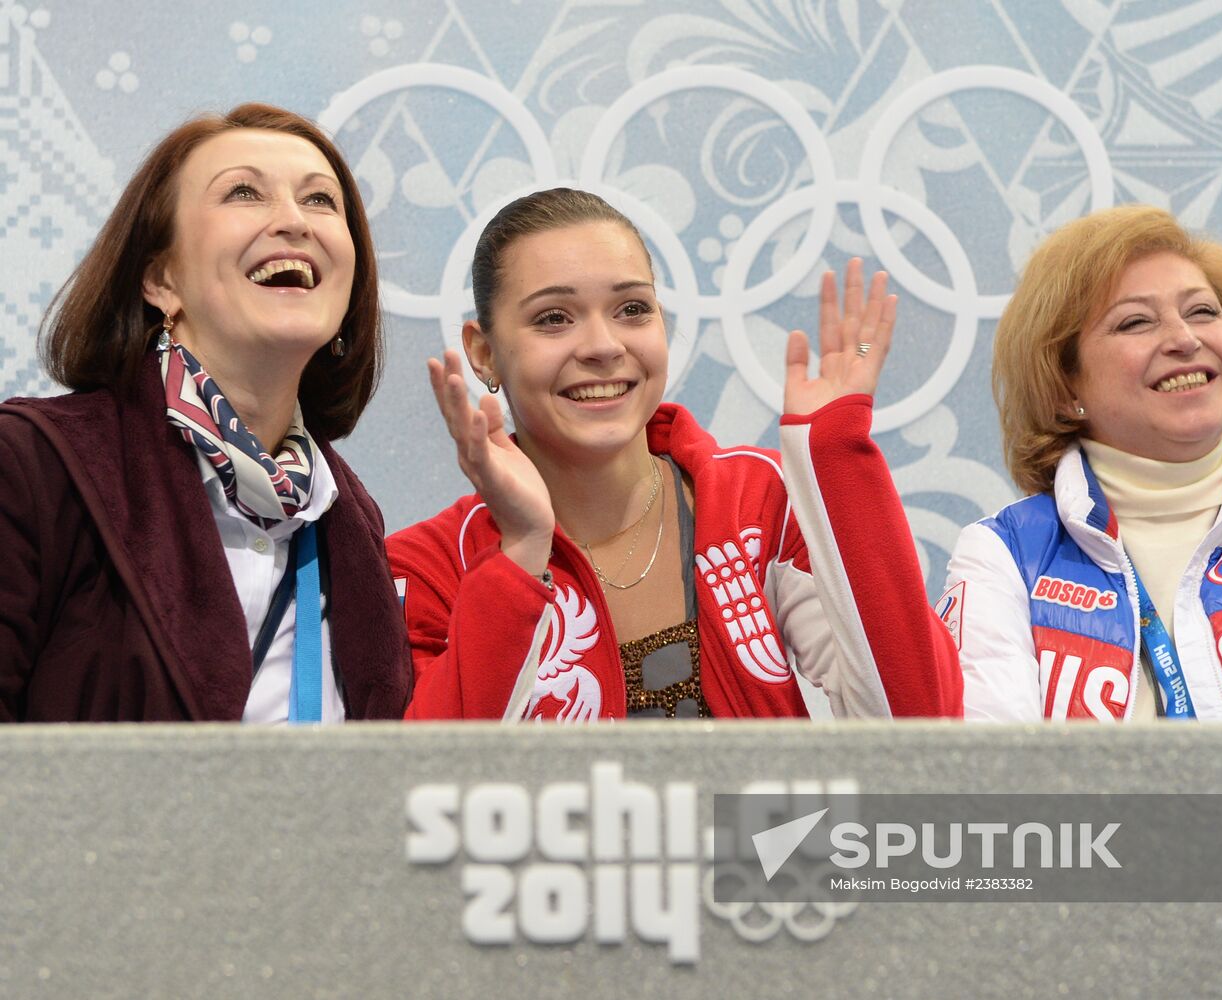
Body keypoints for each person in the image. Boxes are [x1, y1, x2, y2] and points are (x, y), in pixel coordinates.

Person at [388, 188, 961, 720]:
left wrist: (836, 459)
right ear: (483, 352)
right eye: (553, 319)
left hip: (769, 834)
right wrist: (521, 553)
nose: (603, 346)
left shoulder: (757, 504)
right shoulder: (430, 568)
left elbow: (918, 725)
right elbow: (426, 790)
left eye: (632, 309)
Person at [0, 104, 411, 722]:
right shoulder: (29, 468)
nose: (294, 222)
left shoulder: (345, 517)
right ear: (161, 279)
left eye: (322, 201)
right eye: (244, 192)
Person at [942, 204, 1222, 722]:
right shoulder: (1005, 555)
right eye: (1136, 321)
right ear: (1064, 385)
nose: (1185, 339)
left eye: (1203, 312)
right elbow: (984, 781)